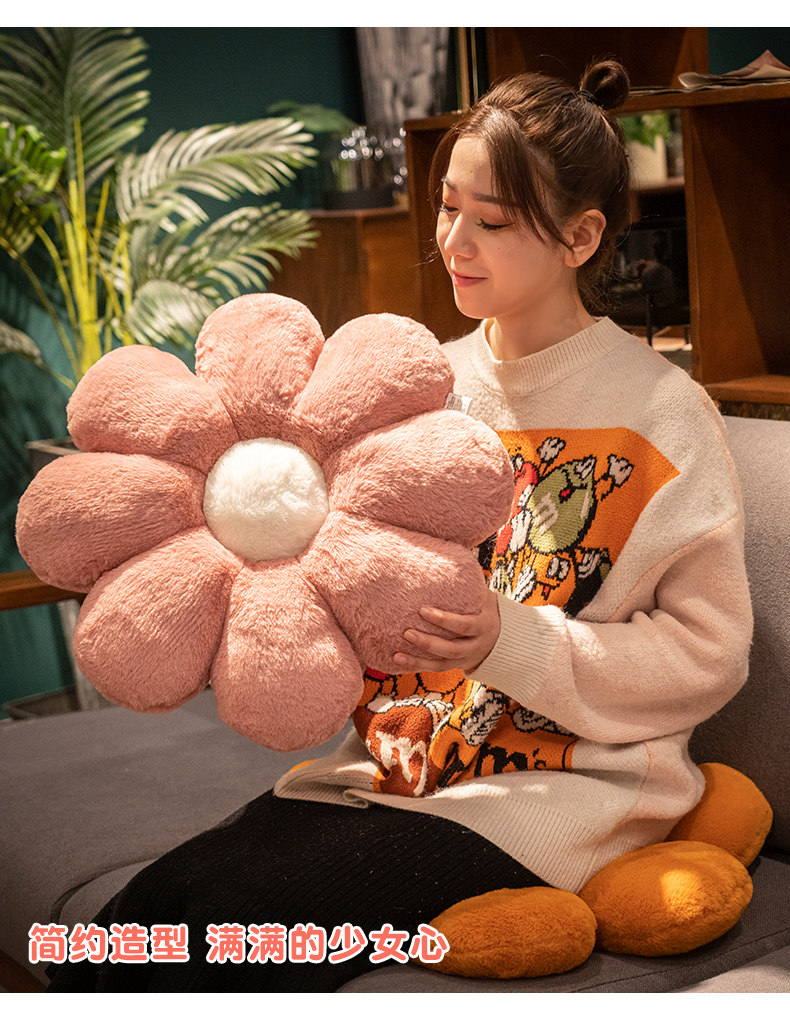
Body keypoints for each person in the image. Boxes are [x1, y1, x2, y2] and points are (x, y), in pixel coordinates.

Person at [48, 59, 752, 992]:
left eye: (493, 221)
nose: (454, 240)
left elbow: (709, 653)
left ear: (581, 237)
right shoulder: (422, 387)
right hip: (383, 772)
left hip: (557, 798)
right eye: (448, 206)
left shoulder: (664, 414)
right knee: (126, 935)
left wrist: (512, 640)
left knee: (195, 953)